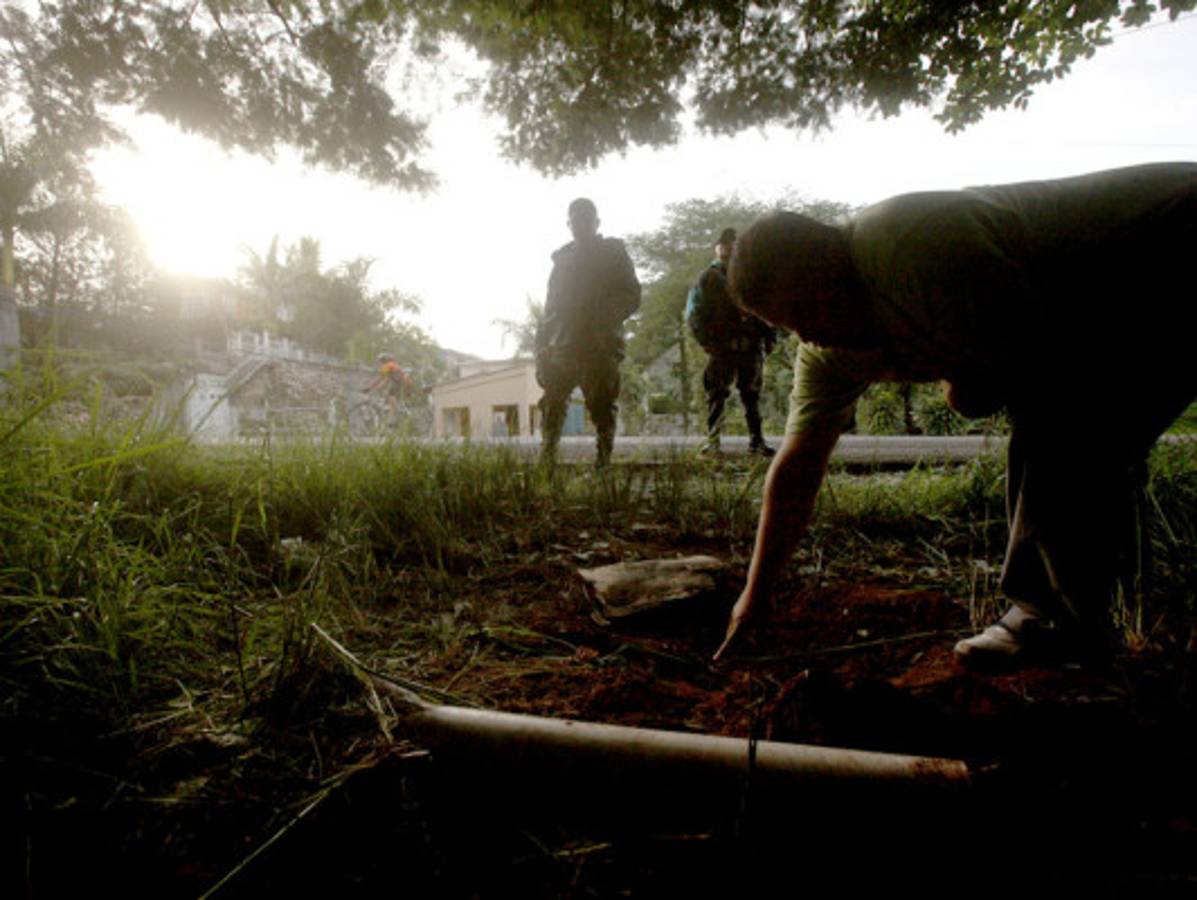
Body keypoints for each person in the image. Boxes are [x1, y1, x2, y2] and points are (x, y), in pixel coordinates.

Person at [713, 162, 1197, 670]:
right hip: (1106, 304)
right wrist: (755, 596)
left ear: (832, 264)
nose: (806, 335)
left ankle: (1058, 623)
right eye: (789, 326)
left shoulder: (910, 248)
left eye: (807, 311)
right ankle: (1082, 623)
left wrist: (960, 384)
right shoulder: (825, 351)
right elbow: (798, 467)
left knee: (1067, 430)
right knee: (1086, 439)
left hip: (1167, 240)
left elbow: (1028, 362)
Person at [535, 198, 642, 467]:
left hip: (599, 346)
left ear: (596, 223)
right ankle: (547, 459)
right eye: (575, 220)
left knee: (602, 406)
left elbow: (632, 295)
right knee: (552, 404)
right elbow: (550, 308)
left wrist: (604, 315)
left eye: (586, 220)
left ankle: (603, 462)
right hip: (563, 346)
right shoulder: (562, 260)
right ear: (568, 224)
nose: (580, 225)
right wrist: (542, 346)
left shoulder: (613, 254)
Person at [687, 227, 777, 457]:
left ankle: (757, 442)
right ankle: (713, 443)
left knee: (751, 396)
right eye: (724, 244)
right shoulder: (708, 277)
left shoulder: (751, 276)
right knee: (716, 395)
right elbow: (694, 312)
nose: (728, 247)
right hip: (721, 347)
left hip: (750, 345)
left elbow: (766, 310)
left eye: (732, 244)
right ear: (717, 248)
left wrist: (769, 338)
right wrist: (705, 341)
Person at [366, 352, 413, 419]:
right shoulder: (393, 364)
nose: (380, 362)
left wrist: (372, 388)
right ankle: (395, 414)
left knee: (390, 396)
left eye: (381, 360)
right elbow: (381, 378)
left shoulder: (387, 366)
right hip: (403, 383)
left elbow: (383, 379)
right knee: (390, 398)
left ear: (384, 360)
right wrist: (372, 387)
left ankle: (397, 411)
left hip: (399, 383)